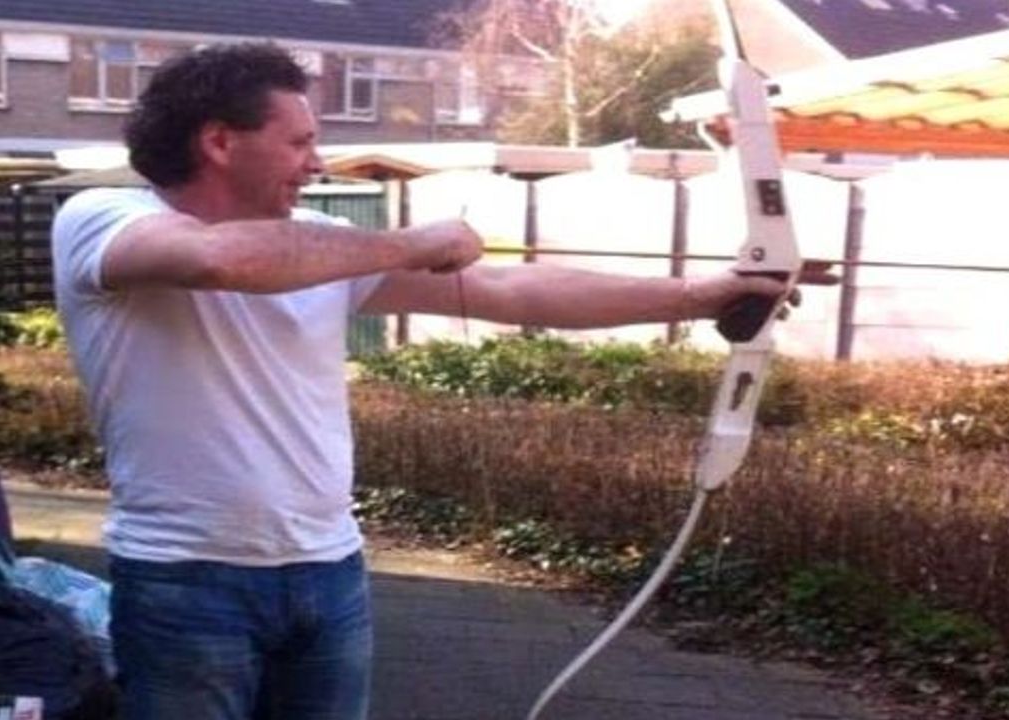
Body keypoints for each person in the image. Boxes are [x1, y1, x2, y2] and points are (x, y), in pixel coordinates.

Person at [51, 42, 808, 720]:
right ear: (219, 141)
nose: (316, 162)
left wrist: (699, 295)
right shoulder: (104, 217)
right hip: (183, 578)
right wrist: (413, 242)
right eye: (300, 141)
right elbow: (220, 262)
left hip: (328, 571)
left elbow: (511, 290)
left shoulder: (328, 244)